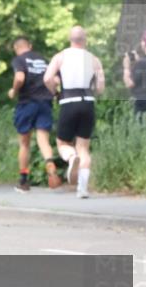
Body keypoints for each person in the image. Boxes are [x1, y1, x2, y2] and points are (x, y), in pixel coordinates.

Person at [44, 26, 106, 199]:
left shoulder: (60, 56)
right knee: (84, 147)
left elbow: (47, 78)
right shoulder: (93, 59)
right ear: (84, 39)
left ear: (70, 39)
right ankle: (83, 189)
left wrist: (56, 92)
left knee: (62, 142)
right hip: (87, 103)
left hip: (68, 102)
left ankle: (71, 158)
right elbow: (100, 87)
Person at [8, 37, 62, 192]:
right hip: (45, 103)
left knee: (24, 143)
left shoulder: (19, 60)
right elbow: (55, 79)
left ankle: (24, 181)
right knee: (43, 140)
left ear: (16, 48)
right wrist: (55, 94)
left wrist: (14, 90)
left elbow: (19, 77)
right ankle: (49, 163)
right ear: (30, 46)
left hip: (27, 103)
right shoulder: (43, 60)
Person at [123, 26, 146, 120]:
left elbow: (129, 83)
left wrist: (126, 67)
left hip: (144, 107)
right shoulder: (142, 63)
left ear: (144, 44)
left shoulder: (142, 63)